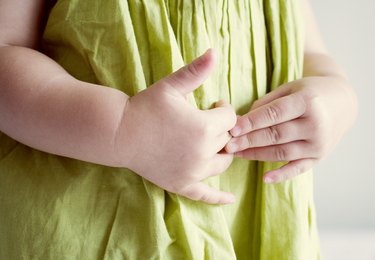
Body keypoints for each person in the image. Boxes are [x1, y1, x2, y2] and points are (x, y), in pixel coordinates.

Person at [0, 0, 357, 259]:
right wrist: (123, 129)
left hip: (244, 226)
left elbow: (310, 52)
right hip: (96, 228)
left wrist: (337, 98)